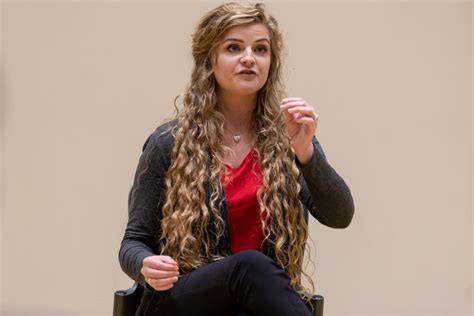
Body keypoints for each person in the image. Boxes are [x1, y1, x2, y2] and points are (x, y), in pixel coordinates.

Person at [119, 2, 354, 316]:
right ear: (210, 60)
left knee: (249, 294)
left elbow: (340, 216)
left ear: (271, 61)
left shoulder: (289, 138)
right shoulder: (169, 142)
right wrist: (145, 264)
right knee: (250, 266)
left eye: (260, 49)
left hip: (253, 306)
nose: (248, 58)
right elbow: (133, 242)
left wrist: (307, 154)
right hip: (182, 302)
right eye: (233, 48)